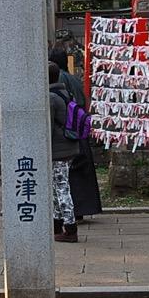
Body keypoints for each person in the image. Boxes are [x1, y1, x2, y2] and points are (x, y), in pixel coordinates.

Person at [49, 47, 102, 222]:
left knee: (66, 180)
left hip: (66, 134)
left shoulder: (58, 81)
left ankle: (68, 219)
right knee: (79, 175)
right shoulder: (73, 78)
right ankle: (79, 210)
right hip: (77, 131)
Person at [49, 62, 82, 242]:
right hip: (69, 147)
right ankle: (58, 225)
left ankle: (70, 229)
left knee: (61, 189)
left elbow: (48, 127)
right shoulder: (65, 92)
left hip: (58, 150)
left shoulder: (51, 98)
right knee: (57, 187)